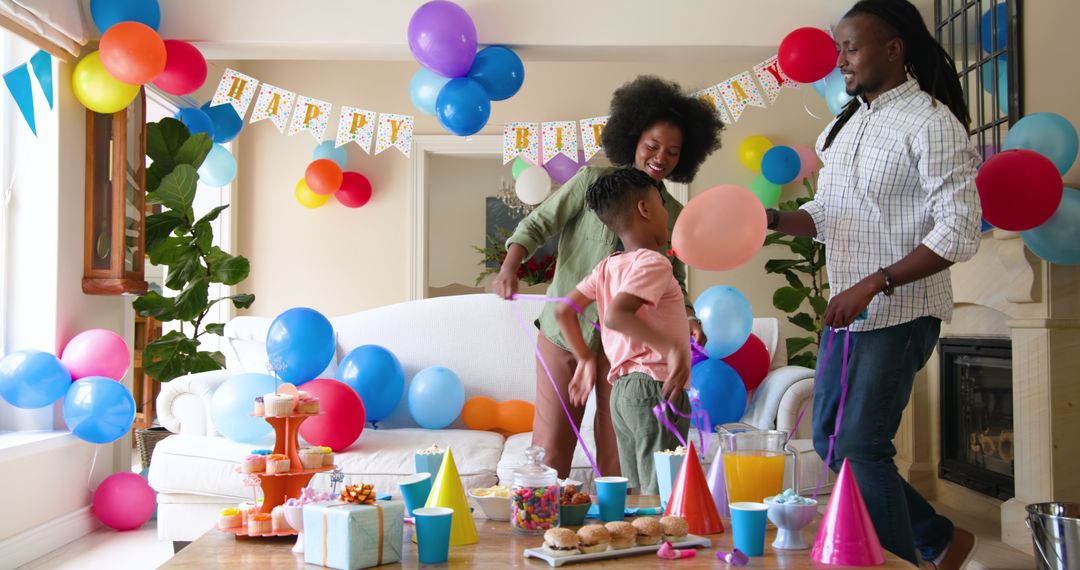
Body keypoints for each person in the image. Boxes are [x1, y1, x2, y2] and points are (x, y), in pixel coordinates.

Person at [766, 1, 980, 568]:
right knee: (835, 442)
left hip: (902, 310)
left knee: (862, 448)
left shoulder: (932, 123)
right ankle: (940, 540)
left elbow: (958, 232)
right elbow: (829, 213)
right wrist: (769, 220)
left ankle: (902, 559)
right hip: (851, 310)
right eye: (839, 49)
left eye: (851, 48)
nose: (840, 61)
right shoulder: (848, 125)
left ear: (894, 48)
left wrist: (874, 283)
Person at [493, 76, 723, 479]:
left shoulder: (670, 212)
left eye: (672, 152)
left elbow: (675, 279)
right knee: (551, 446)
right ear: (633, 138)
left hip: (629, 350)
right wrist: (509, 267)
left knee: (621, 451)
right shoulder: (590, 183)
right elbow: (536, 225)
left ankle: (624, 530)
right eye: (652, 146)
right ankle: (547, 527)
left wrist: (688, 317)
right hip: (566, 334)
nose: (660, 158)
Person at [554, 168, 691, 495]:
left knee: (641, 491)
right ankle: (666, 545)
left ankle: (641, 544)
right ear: (644, 209)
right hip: (656, 384)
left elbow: (563, 310)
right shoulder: (655, 262)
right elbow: (616, 315)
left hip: (624, 393)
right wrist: (672, 349)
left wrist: (585, 358)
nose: (665, 213)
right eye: (661, 203)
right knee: (665, 490)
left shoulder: (607, 266)